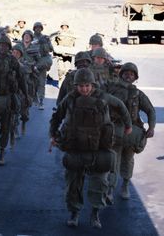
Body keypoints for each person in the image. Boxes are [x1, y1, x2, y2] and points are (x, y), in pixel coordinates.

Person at [50, 68, 132, 229]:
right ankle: (74, 212)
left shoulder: (103, 97)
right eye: (80, 86)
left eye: (87, 85)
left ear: (92, 85)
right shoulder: (70, 99)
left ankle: (95, 213)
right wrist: (52, 134)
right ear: (76, 86)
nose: (84, 89)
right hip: (75, 148)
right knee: (73, 184)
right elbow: (57, 116)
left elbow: (121, 106)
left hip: (99, 148)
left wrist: (128, 125)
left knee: (99, 184)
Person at [106, 62, 156, 201]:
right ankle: (110, 189)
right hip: (115, 130)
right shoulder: (112, 90)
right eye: (126, 73)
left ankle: (125, 185)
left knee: (128, 160)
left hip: (132, 133)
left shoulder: (138, 94)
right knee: (113, 161)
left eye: (132, 74)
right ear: (121, 75)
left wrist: (151, 127)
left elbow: (150, 110)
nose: (129, 76)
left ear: (135, 77)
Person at [0, 36, 27, 165]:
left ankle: (2, 152)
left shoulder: (13, 61)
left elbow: (21, 79)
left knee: (5, 127)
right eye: (1, 45)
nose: (3, 48)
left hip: (7, 98)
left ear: (9, 48)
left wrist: (25, 95)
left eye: (6, 46)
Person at [33, 21, 54, 110]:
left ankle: (41, 100)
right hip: (32, 62)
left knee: (41, 83)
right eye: (36, 27)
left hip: (42, 63)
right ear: (34, 29)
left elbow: (51, 49)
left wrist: (47, 42)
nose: (38, 29)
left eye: (39, 27)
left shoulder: (45, 38)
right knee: (31, 82)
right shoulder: (31, 37)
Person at [53, 21, 76, 86]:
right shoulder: (58, 34)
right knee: (61, 70)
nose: (64, 27)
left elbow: (73, 44)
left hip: (68, 56)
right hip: (60, 55)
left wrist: (70, 52)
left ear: (67, 27)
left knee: (67, 71)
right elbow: (55, 44)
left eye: (65, 26)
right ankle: (60, 79)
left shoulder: (71, 34)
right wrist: (56, 53)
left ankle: (65, 83)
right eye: (63, 26)